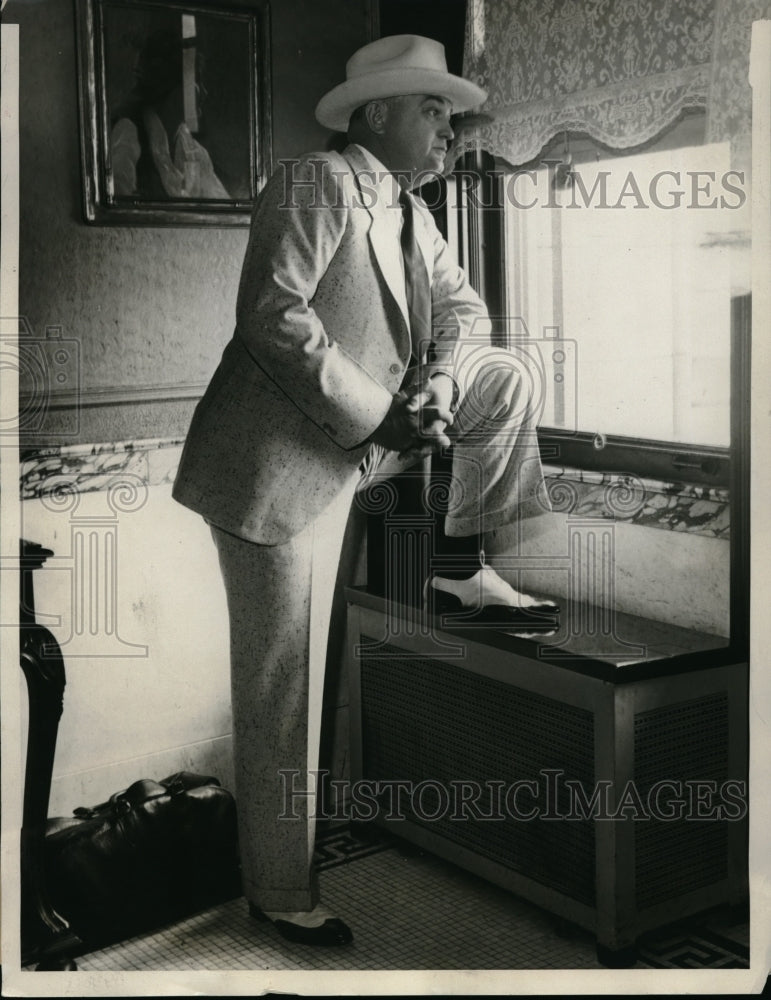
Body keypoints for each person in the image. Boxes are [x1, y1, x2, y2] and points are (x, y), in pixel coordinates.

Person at [172, 34, 557, 947]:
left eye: (453, 115)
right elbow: (273, 315)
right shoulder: (313, 180)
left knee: (499, 374)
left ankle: (460, 562)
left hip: (357, 450)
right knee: (281, 680)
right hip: (270, 467)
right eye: (435, 111)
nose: (451, 130)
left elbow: (465, 313)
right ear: (377, 113)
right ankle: (276, 890)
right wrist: (385, 414)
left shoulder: (412, 214)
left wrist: (440, 387)